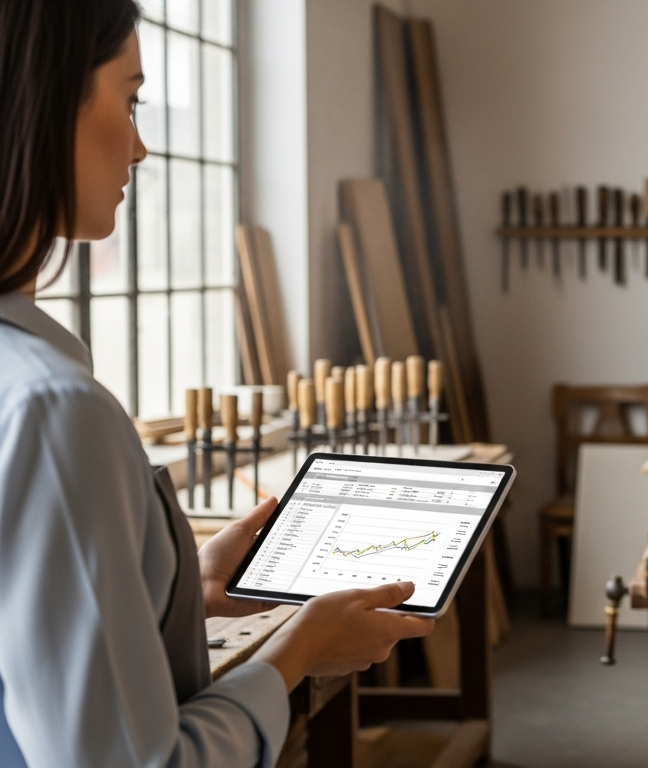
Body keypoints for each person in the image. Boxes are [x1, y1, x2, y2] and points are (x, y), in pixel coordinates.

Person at [0, 2, 435, 765]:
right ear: (40, 100)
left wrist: (175, 594)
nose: (138, 147)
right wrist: (294, 652)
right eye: (130, 99)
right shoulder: (51, 407)